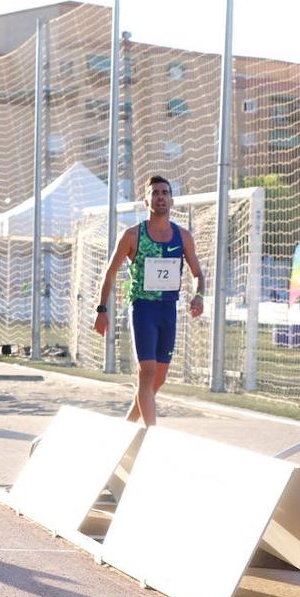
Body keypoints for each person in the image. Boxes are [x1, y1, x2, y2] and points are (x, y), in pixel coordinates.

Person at [93, 175, 205, 427]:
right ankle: (152, 433)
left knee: (158, 379)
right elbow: (110, 272)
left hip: (168, 310)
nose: (161, 197)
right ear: (146, 200)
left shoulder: (183, 236)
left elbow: (198, 274)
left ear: (172, 200)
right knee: (147, 374)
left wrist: (199, 295)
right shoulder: (133, 235)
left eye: (165, 192)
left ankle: (125, 427)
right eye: (155, 193)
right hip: (142, 308)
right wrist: (101, 309)